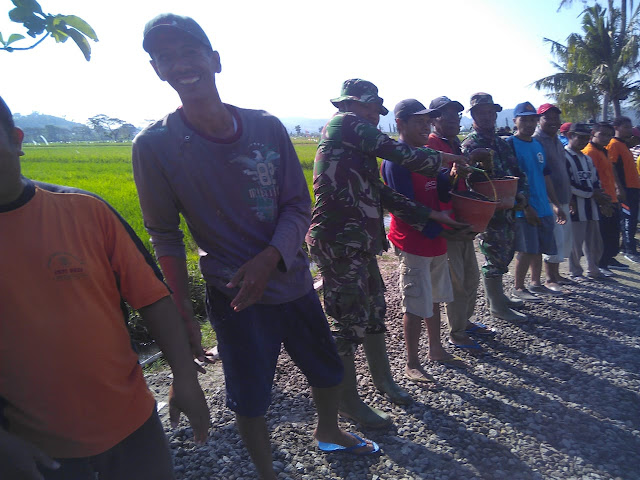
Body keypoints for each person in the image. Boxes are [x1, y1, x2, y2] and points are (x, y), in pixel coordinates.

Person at [133, 15, 378, 480]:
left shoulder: (265, 127)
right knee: (250, 395)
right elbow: (164, 233)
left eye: (190, 51)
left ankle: (329, 431)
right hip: (234, 296)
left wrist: (271, 257)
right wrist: (182, 311)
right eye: (166, 56)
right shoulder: (155, 145)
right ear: (157, 70)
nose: (181, 63)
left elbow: (297, 204)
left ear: (215, 60)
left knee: (326, 370)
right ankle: (267, 473)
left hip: (293, 280)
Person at [0, 95, 210, 480]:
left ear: (15, 139)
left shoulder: (83, 210)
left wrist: (184, 376)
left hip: (133, 425)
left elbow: (153, 298)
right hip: (33, 450)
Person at [307, 80, 468, 428]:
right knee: (347, 322)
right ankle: (348, 402)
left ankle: (384, 381)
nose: (374, 117)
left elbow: (381, 193)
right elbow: (402, 154)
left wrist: (429, 214)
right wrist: (448, 156)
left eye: (377, 112)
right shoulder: (344, 123)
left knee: (375, 310)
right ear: (355, 104)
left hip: (360, 240)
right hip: (338, 241)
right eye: (371, 109)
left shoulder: (356, 143)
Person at [382, 99, 473, 383]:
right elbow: (406, 209)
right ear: (400, 124)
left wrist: (455, 176)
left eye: (427, 122)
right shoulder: (395, 162)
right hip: (413, 241)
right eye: (418, 122)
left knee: (434, 297)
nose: (425, 126)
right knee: (414, 302)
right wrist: (444, 229)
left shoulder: (427, 155)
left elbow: (442, 193)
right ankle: (412, 362)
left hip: (436, 239)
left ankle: (436, 349)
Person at [426, 96, 493, 352]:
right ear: (434, 120)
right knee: (456, 281)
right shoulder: (432, 144)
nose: (454, 120)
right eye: (447, 116)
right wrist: (453, 173)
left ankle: (465, 322)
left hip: (462, 218)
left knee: (471, 277)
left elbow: (461, 180)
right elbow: (436, 185)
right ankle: (456, 333)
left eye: (457, 115)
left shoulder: (453, 143)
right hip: (447, 222)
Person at [461, 93, 529, 322]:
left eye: (491, 112)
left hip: (508, 207)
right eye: (482, 112)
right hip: (488, 211)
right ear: (473, 115)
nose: (488, 116)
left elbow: (516, 171)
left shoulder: (501, 142)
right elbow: (465, 179)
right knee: (493, 255)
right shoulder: (471, 144)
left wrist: (521, 195)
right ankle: (497, 307)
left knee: (507, 251)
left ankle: (499, 299)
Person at [506, 102, 566, 300]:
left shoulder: (537, 144)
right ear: (515, 121)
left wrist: (555, 204)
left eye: (532, 119)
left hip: (543, 206)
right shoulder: (509, 145)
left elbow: (545, 175)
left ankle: (536, 282)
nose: (529, 124)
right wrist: (524, 205)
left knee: (539, 247)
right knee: (525, 248)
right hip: (524, 208)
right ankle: (518, 286)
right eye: (524, 119)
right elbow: (509, 179)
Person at [533, 104, 573, 290]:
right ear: (539, 120)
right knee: (553, 238)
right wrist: (554, 202)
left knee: (563, 238)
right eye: (547, 118)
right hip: (549, 199)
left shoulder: (557, 139)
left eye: (556, 118)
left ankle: (556, 274)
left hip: (563, 196)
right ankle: (549, 279)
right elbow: (541, 174)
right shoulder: (536, 141)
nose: (553, 122)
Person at [564, 123, 610, 279]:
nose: (583, 141)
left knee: (594, 241)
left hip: (591, 206)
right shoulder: (564, 156)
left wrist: (600, 198)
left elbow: (594, 180)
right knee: (576, 242)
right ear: (570, 136)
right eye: (580, 137)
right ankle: (575, 271)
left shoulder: (586, 159)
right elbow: (567, 184)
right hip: (576, 206)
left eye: (586, 138)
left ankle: (593, 268)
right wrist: (591, 193)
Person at [583, 122, 628, 275]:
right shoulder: (589, 152)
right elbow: (591, 179)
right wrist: (601, 200)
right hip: (601, 200)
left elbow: (611, 171)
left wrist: (617, 188)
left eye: (609, 135)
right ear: (593, 134)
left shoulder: (604, 151)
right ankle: (600, 263)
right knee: (601, 235)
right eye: (602, 134)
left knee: (613, 232)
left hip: (611, 197)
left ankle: (608, 260)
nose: (606, 138)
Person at [608, 116, 640, 263]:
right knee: (628, 219)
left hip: (633, 187)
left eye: (630, 127)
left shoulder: (624, 144)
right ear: (616, 128)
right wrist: (618, 187)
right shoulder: (614, 144)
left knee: (631, 218)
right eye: (626, 127)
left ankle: (626, 246)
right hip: (625, 188)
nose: (629, 130)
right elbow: (612, 166)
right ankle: (629, 250)